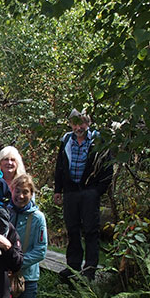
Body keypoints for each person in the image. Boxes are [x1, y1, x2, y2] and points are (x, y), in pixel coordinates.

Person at [53, 109, 113, 280]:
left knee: (91, 231)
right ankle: (73, 266)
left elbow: (108, 168)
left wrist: (97, 191)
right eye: (75, 123)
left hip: (89, 192)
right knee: (72, 230)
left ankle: (90, 269)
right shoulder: (66, 140)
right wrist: (58, 189)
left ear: (89, 122)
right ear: (70, 124)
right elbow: (60, 166)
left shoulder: (98, 141)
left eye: (82, 122)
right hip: (70, 192)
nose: (79, 127)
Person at [8, 175, 48, 298]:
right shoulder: (6, 212)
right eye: (18, 191)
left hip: (27, 278)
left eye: (26, 192)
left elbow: (41, 250)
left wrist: (18, 263)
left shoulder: (38, 218)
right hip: (4, 278)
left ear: (31, 194)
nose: (21, 196)